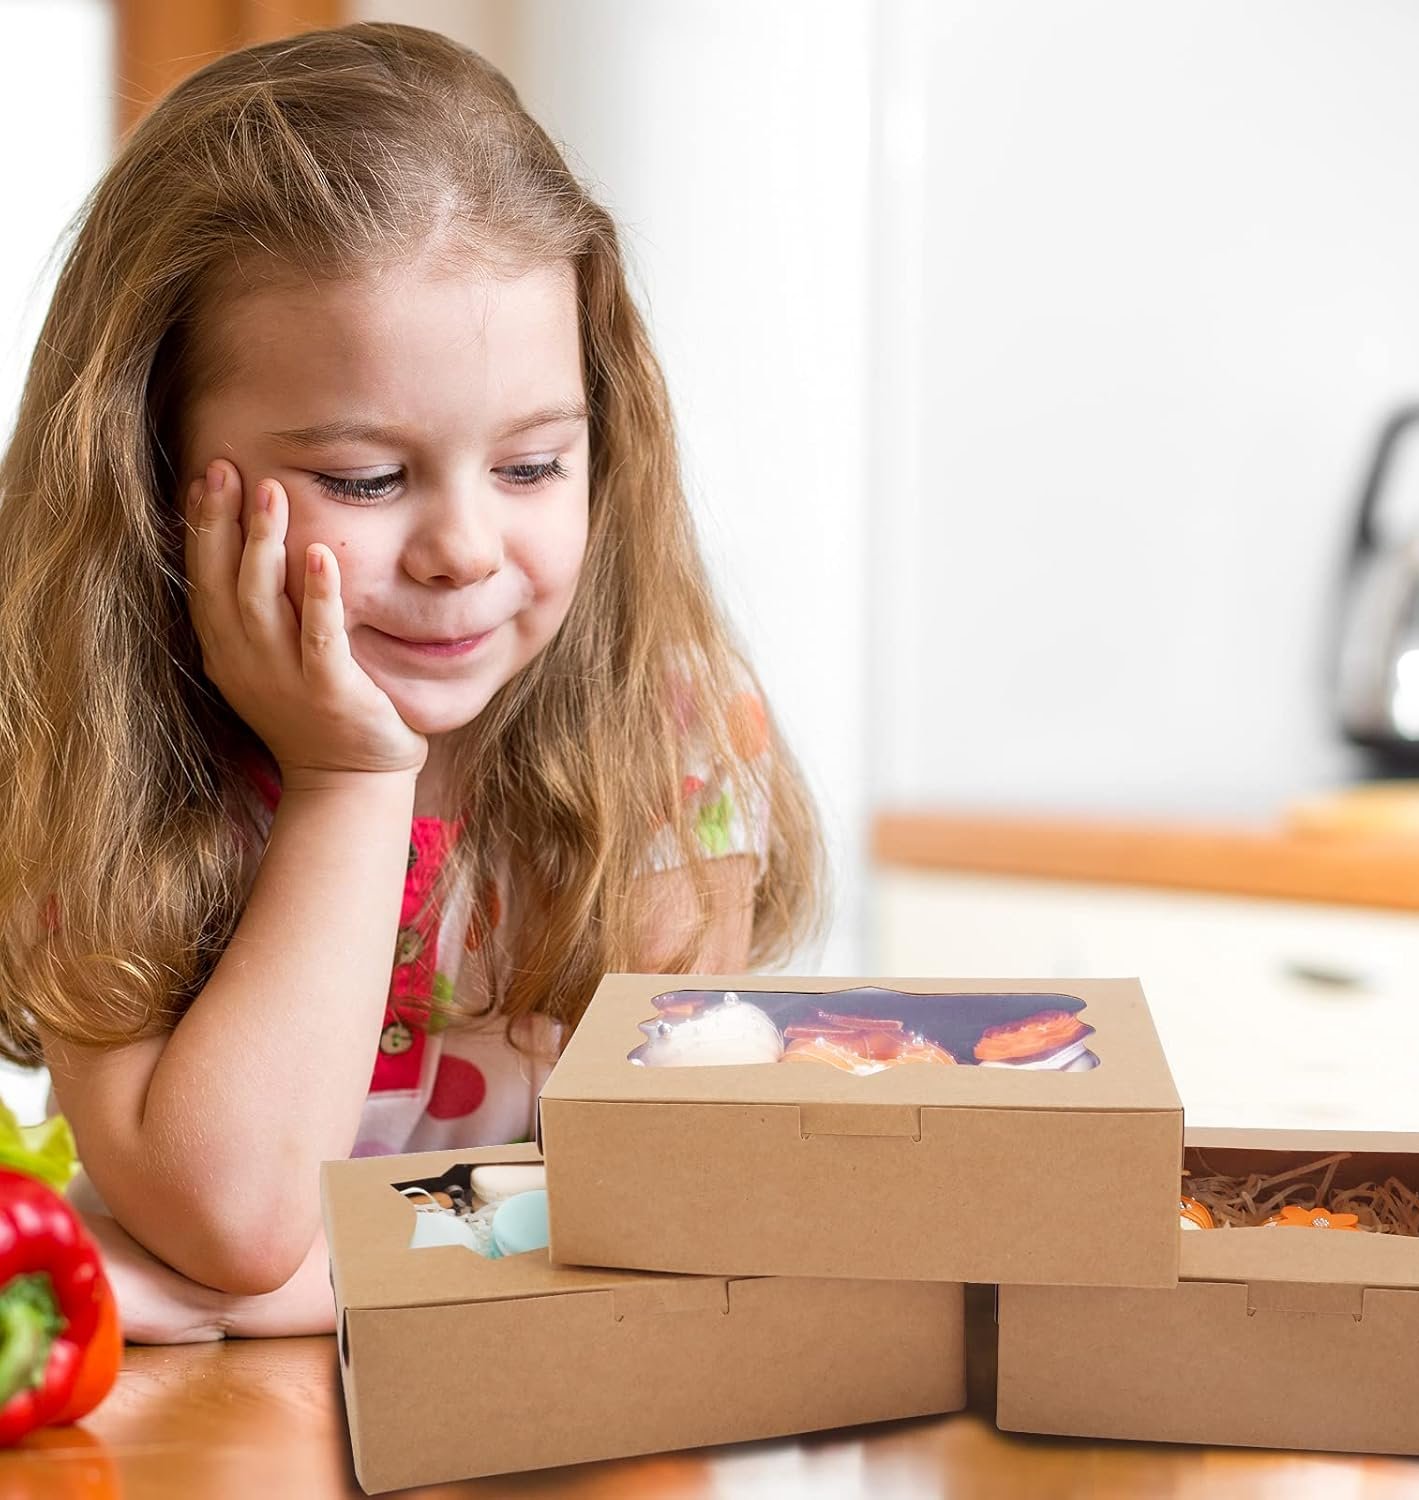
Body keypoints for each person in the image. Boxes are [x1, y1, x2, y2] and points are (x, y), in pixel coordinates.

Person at [0, 22, 825, 1341]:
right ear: (150, 465)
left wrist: (293, 1288)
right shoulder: (99, 738)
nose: (461, 550)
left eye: (534, 465)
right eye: (366, 479)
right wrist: (348, 777)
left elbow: (673, 1202)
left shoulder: (666, 728)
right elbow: (231, 1214)